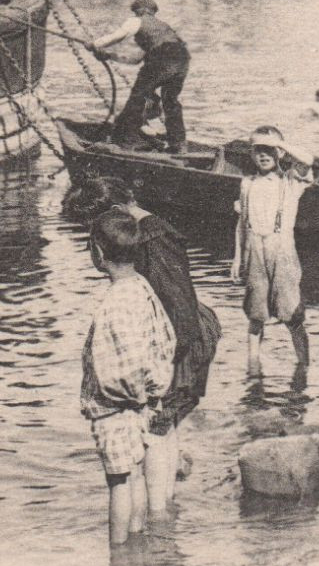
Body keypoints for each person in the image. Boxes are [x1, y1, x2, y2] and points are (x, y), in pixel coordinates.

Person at [62, 175, 218, 513]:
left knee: (158, 431)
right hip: (180, 337)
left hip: (180, 341)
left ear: (117, 211)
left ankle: (159, 518)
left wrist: (162, 366)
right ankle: (166, 512)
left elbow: (175, 305)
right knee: (167, 426)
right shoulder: (151, 231)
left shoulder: (153, 238)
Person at [81, 210, 175, 547]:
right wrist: (151, 393)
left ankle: (118, 557)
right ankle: (137, 543)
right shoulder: (142, 288)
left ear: (97, 253)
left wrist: (131, 394)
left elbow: (122, 367)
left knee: (119, 481)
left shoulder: (114, 303)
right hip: (142, 405)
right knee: (134, 473)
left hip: (117, 407)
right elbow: (165, 341)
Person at [231, 126, 314, 375]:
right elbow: (241, 224)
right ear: (251, 154)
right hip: (254, 250)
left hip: (283, 252)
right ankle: (253, 365)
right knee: (256, 314)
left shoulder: (291, 180)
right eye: (258, 150)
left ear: (279, 151)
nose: (264, 155)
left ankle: (304, 366)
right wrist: (237, 259)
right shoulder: (247, 183)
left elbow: (308, 160)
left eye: (269, 150)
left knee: (292, 314)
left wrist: (280, 144)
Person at [93, 0, 190, 153]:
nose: (134, 13)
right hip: (182, 59)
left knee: (137, 99)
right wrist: (109, 55)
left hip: (162, 58)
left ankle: (123, 143)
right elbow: (135, 59)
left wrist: (95, 44)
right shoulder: (163, 28)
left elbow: (118, 36)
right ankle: (178, 144)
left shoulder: (137, 20)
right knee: (170, 101)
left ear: (140, 10)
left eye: (135, 11)